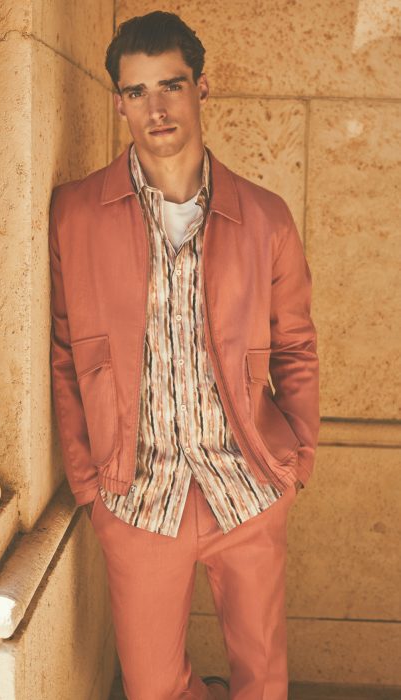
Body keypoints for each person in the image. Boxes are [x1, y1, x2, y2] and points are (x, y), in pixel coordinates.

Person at [48, 10, 320, 700]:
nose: (156, 109)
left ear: (202, 87)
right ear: (119, 103)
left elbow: (296, 345)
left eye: (170, 85)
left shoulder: (265, 217)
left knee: (263, 680)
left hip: (248, 486)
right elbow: (64, 353)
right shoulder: (75, 215)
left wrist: (295, 464)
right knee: (152, 687)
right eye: (136, 92)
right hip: (138, 496)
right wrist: (90, 487)